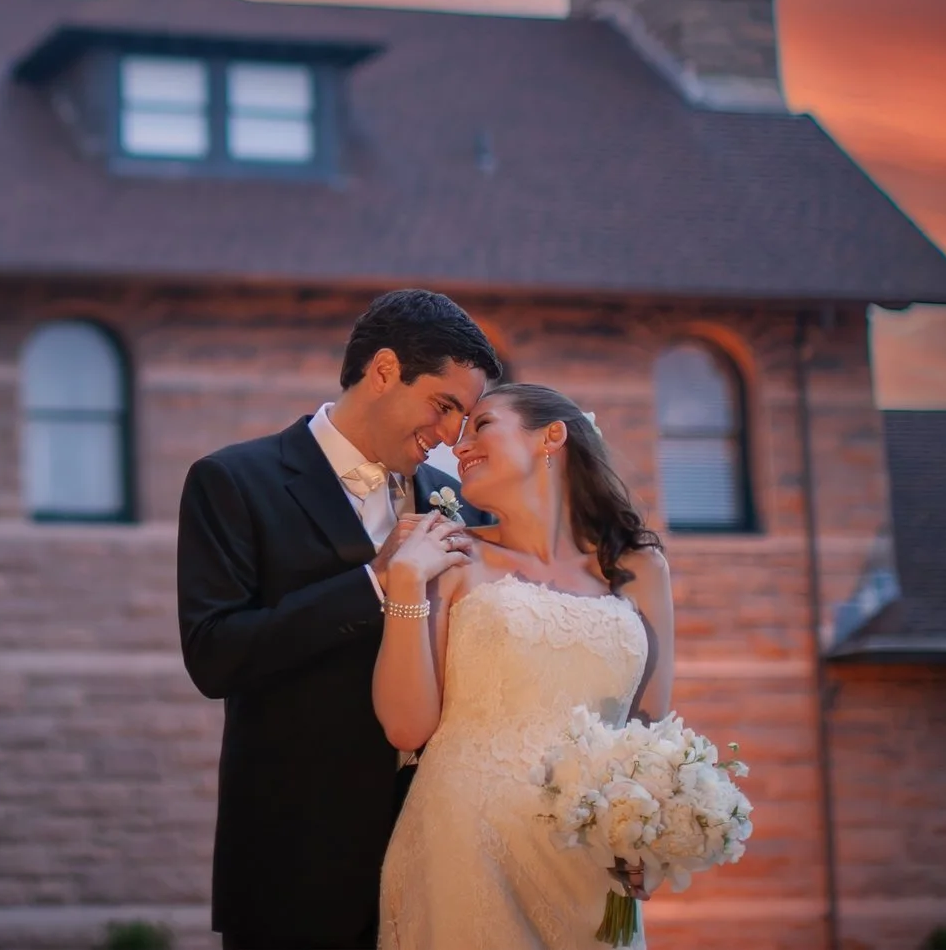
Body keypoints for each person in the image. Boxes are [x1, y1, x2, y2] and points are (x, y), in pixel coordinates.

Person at [177, 289, 503, 950]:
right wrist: (376, 581)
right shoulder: (235, 481)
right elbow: (215, 655)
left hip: (447, 865)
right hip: (297, 869)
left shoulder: (460, 505)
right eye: (445, 407)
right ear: (384, 371)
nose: (450, 436)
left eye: (464, 421)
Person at [373, 383, 675, 949]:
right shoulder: (450, 553)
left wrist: (648, 835)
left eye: (482, 425)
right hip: (465, 846)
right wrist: (406, 581)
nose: (460, 447)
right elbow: (406, 728)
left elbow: (651, 728)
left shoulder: (637, 566)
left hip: (590, 866)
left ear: (551, 436)